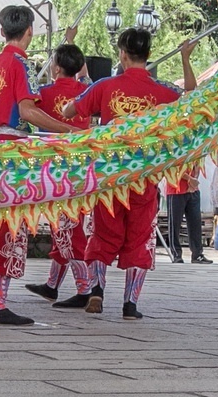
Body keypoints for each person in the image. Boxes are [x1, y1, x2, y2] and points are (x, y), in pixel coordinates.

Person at [62, 29, 195, 320]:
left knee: (103, 234)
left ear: (122, 53)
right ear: (148, 54)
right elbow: (193, 102)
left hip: (110, 176)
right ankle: (130, 304)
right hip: (144, 177)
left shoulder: (106, 86)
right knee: (138, 238)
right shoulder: (163, 91)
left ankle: (96, 290)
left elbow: (70, 110)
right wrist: (186, 58)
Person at [0, 5, 78, 326]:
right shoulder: (22, 64)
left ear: (2, 32)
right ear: (29, 31)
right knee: (9, 225)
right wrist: (69, 131)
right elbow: (28, 111)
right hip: (13, 151)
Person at [24, 32, 94, 307]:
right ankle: (52, 285)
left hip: (54, 171)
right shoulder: (89, 91)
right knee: (65, 228)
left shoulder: (44, 94)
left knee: (66, 230)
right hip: (83, 169)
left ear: (55, 67)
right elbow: (85, 76)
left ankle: (84, 290)